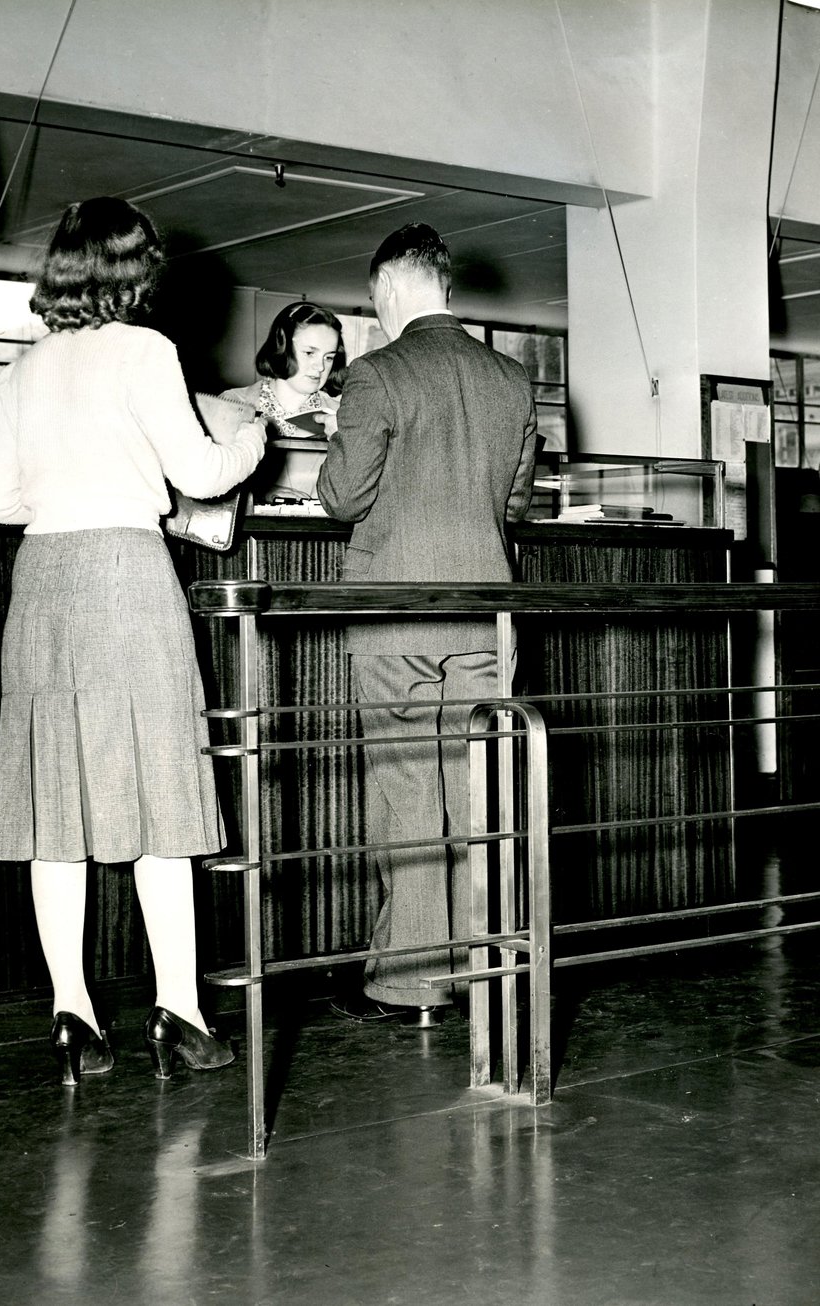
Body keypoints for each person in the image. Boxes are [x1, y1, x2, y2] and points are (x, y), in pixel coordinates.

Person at [0, 196, 266, 1085]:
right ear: (135, 271)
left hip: (44, 584)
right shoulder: (146, 351)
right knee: (157, 796)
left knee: (52, 808)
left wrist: (65, 499)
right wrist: (254, 437)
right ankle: (178, 1011)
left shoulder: (24, 371)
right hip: (128, 579)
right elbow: (200, 472)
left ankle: (73, 1017)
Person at [316, 222, 538, 1021]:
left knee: (408, 793)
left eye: (374, 297)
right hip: (486, 613)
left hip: (395, 613)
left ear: (390, 289)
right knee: (481, 793)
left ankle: (412, 982)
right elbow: (514, 503)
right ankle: (489, 971)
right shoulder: (511, 380)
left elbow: (341, 498)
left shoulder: (378, 372)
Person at [222, 301, 345, 504]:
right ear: (282, 347)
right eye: (309, 353)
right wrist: (264, 493)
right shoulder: (231, 403)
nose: (320, 367)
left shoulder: (342, 415)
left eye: (329, 357)